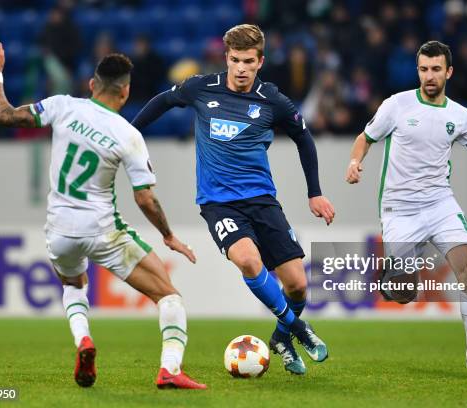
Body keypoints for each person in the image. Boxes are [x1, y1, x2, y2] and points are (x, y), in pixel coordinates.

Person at [0, 37, 206, 389]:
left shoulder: (61, 106)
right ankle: (170, 369)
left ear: (91, 85)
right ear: (125, 92)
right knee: (168, 295)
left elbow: (3, 115)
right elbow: (145, 199)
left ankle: (83, 340)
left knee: (73, 283)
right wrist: (167, 235)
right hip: (102, 229)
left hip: (59, 229)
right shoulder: (128, 135)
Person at [132, 24, 335, 375]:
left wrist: (314, 192)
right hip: (218, 202)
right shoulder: (200, 88)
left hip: (262, 200)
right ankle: (300, 329)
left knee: (298, 286)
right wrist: (130, 136)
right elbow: (163, 101)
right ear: (226, 58)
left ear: (260, 62)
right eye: (235, 60)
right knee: (248, 260)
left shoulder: (272, 100)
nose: (241, 68)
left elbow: (304, 139)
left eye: (248, 62)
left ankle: (282, 337)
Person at [345, 40, 467, 369]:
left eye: (436, 69)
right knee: (405, 293)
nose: (429, 76)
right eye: (423, 69)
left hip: (440, 205)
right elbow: (365, 139)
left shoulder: (460, 116)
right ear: (418, 71)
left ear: (449, 71)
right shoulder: (396, 106)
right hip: (400, 209)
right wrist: (354, 162)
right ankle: (390, 279)